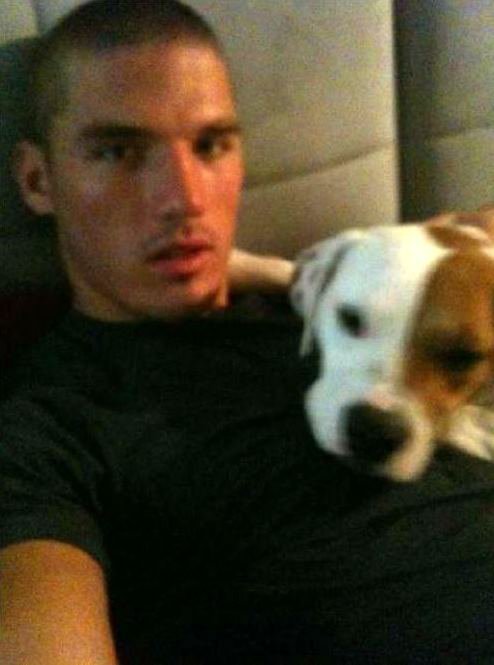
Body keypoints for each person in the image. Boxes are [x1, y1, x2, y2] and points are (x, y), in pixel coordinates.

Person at [1, 2, 494, 663]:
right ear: (38, 180)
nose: (184, 199)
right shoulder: (46, 424)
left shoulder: (355, 291)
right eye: (118, 151)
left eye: (211, 146)